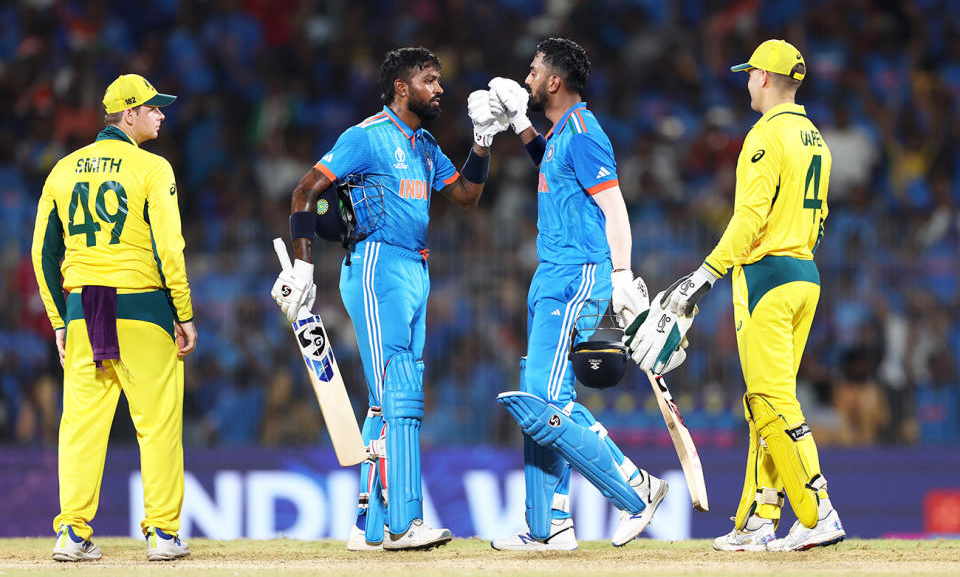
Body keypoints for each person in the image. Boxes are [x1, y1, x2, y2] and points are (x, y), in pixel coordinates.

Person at [271, 47, 507, 551]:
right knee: (399, 391)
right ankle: (404, 522)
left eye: (439, 79)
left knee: (388, 396)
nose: (440, 88)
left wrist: (483, 142)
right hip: (377, 265)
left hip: (416, 268)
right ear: (402, 87)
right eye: (430, 79)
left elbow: (467, 196)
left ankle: (368, 525)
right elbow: (305, 192)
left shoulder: (423, 143)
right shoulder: (367, 136)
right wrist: (305, 266)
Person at [629, 40, 846, 551]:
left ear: (766, 79)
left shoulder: (764, 136)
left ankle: (818, 514)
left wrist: (705, 274)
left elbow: (749, 218)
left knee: (771, 400)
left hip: (767, 278)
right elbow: (819, 220)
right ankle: (757, 520)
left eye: (751, 74)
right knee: (765, 402)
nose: (747, 81)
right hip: (804, 273)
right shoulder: (817, 138)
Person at [487, 38, 668, 551]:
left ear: (555, 81)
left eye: (533, 71)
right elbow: (550, 166)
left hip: (577, 275)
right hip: (554, 275)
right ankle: (550, 527)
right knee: (548, 402)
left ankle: (637, 489)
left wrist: (622, 273)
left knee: (541, 401)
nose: (526, 78)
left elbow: (615, 210)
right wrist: (519, 122)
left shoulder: (586, 133)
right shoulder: (564, 133)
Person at [32, 74, 197, 562]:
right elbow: (170, 247)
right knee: (158, 425)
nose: (161, 114)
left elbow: (43, 253)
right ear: (129, 115)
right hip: (142, 307)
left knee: (81, 426)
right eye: (152, 107)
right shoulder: (153, 168)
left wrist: (60, 321)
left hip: (86, 310)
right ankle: (163, 536)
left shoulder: (62, 169)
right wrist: (183, 312)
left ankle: (72, 533)